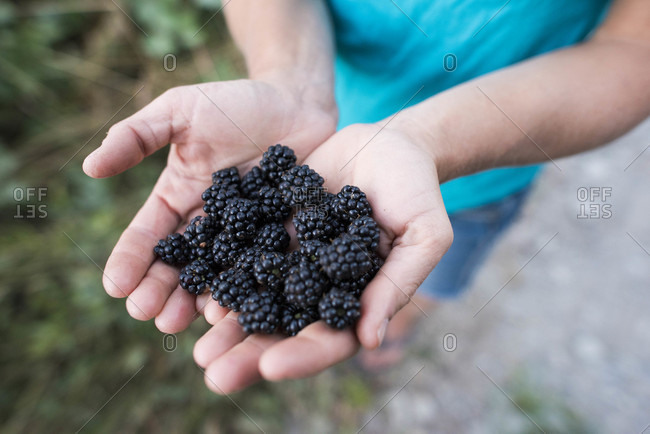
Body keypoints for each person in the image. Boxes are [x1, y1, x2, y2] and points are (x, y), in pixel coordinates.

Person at [83, 0, 650, 394]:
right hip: (325, 119)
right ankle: (395, 317)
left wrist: (422, 142)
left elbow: (633, 52)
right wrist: (291, 81)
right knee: (396, 276)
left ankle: (406, 316)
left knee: (436, 269)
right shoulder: (281, 214)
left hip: (484, 170)